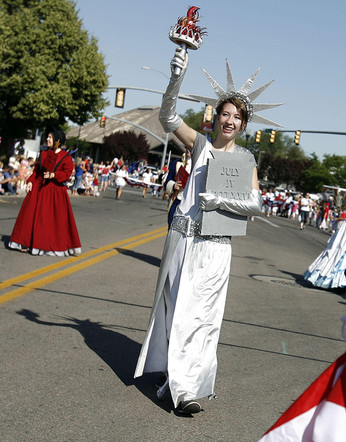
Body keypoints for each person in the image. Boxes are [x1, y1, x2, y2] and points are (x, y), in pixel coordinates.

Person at [134, 45, 274, 415]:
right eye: (225, 114)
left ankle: (186, 389)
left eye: (236, 118)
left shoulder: (246, 160)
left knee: (203, 318)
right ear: (216, 117)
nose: (229, 121)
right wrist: (176, 74)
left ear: (244, 125)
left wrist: (218, 201)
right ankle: (171, 375)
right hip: (183, 240)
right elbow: (167, 116)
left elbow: (257, 205)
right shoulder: (199, 145)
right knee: (175, 310)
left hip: (216, 247)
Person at [8, 127, 81, 255]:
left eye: (50, 137)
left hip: (55, 191)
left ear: (57, 140)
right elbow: (36, 171)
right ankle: (26, 242)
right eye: (47, 137)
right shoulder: (43, 154)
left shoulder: (66, 157)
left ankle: (46, 244)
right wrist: (30, 181)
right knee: (29, 216)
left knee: (49, 220)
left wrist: (53, 175)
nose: (47, 139)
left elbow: (66, 174)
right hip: (39, 188)